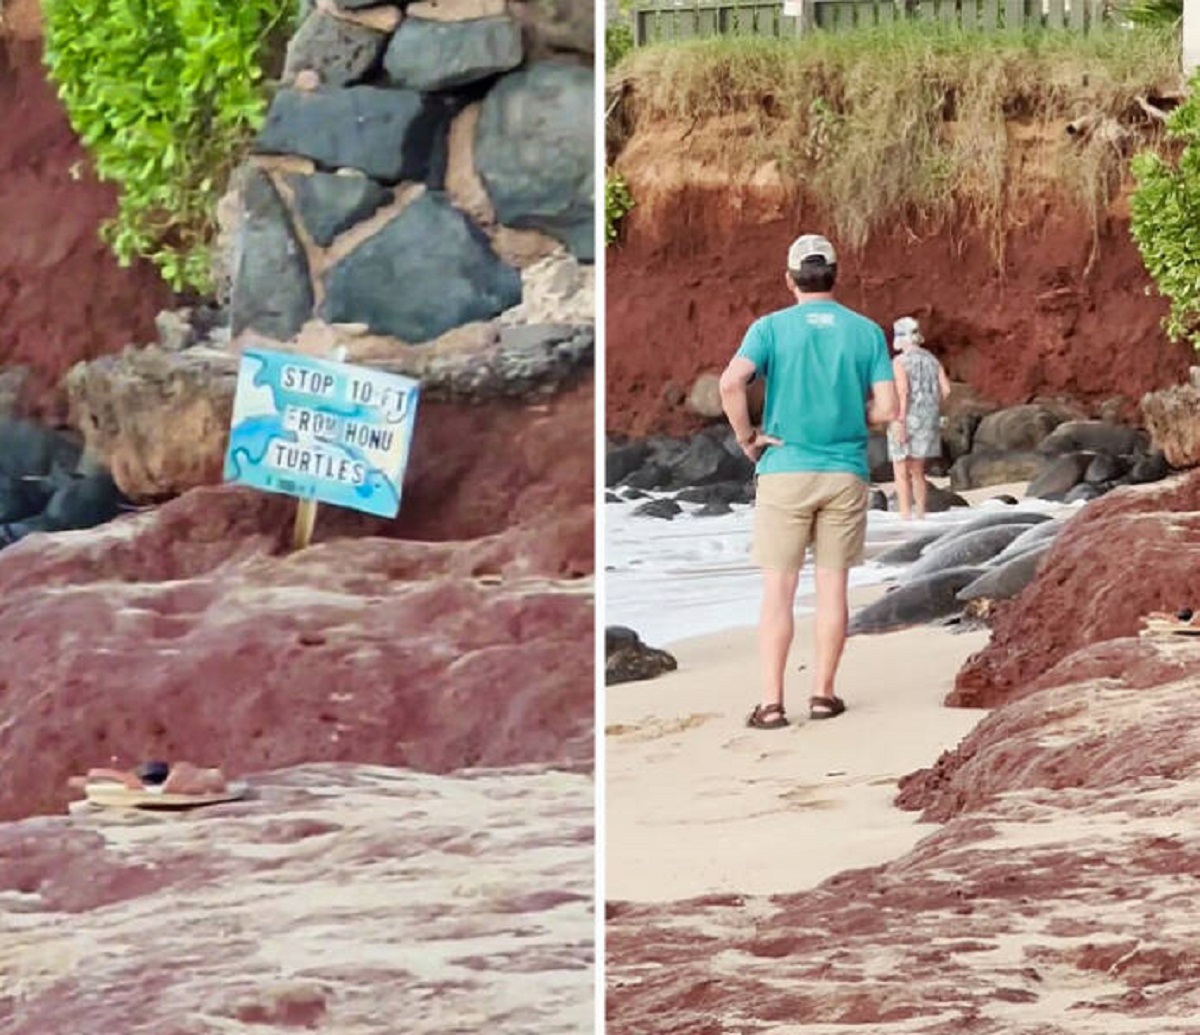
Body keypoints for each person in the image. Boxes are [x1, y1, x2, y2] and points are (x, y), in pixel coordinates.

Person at [719, 233, 898, 729]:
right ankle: (823, 694)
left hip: (785, 470)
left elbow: (731, 382)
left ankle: (772, 703)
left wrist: (747, 437)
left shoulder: (770, 328)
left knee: (778, 590)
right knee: (832, 587)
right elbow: (888, 408)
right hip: (844, 471)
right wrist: (852, 413)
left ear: (789, 278)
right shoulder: (865, 333)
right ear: (836, 275)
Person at [887, 317, 952, 522]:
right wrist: (931, 405)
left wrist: (900, 420)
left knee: (900, 469)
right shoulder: (932, 360)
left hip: (905, 418)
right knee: (918, 471)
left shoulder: (899, 362)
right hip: (928, 419)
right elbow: (947, 389)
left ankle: (905, 514)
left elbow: (903, 392)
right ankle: (921, 513)